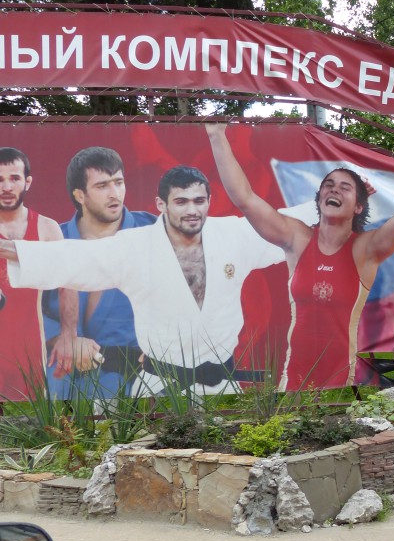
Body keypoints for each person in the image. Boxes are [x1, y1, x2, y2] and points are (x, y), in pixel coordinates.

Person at [0, 163, 285, 396]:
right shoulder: (136, 245)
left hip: (221, 385)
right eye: (181, 202)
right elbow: (76, 258)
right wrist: (9, 249)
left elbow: (290, 229)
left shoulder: (233, 235)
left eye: (199, 201)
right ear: (162, 204)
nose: (191, 210)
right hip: (157, 386)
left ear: (209, 201)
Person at [207, 123, 394, 389]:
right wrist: (216, 135)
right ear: (319, 198)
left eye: (345, 187)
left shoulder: (363, 249)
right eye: (329, 185)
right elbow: (245, 199)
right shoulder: (298, 238)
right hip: (293, 379)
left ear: (358, 207)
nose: (334, 189)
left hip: (341, 382)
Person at [42, 147, 157, 399]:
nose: (115, 193)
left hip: (144, 379)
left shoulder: (153, 231)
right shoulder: (54, 240)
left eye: (119, 182)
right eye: (102, 186)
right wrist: (62, 338)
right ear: (80, 195)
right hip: (68, 381)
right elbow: (28, 306)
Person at [0, 147, 82, 400]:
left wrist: (68, 335)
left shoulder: (46, 228)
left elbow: (68, 283)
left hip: (27, 350)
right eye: (0, 179)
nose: (6, 187)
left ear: (27, 181)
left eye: (14, 178)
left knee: (32, 419)